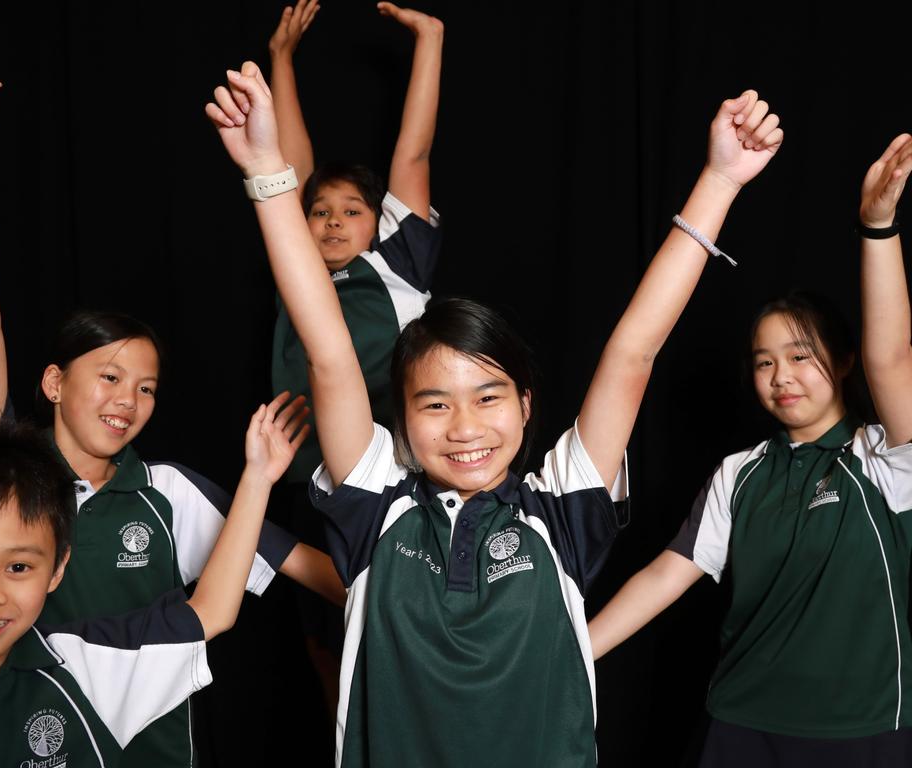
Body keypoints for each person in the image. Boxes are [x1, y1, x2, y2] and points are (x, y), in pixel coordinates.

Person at [207, 57, 782, 766]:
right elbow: (328, 350)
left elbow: (633, 353)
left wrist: (719, 181)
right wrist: (267, 171)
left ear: (524, 404)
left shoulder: (561, 510)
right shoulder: (374, 502)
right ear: (403, 419)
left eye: (488, 398)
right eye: (435, 403)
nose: (465, 427)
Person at [0, 43, 345, 767]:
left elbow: (305, 572)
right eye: (107, 377)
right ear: (52, 384)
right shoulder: (2, 480)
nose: (127, 401)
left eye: (146, 388)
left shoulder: (168, 493)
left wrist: (416, 606)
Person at [587, 137, 912, 765]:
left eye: (800, 356)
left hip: (861, 729)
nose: (781, 376)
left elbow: (893, 358)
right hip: (739, 722)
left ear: (844, 362)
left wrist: (878, 229)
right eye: (764, 363)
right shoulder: (741, 472)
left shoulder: (887, 458)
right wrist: (569, 650)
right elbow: (665, 575)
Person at [0, 393, 310, 766]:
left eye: (17, 567)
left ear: (56, 571)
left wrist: (258, 477)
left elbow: (210, 612)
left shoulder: (87, 669)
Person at [267, 0, 444, 711]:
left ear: (382, 222)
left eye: (351, 210)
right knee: (325, 647)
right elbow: (287, 171)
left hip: (383, 477)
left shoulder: (398, 264)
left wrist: (430, 41)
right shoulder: (297, 269)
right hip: (301, 474)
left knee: (390, 629)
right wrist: (280, 59)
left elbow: (414, 153)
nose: (333, 219)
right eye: (320, 211)